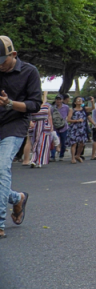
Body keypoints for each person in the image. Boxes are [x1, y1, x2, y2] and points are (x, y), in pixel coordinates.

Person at [0, 36, 40, 239]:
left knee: (1, 168)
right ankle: (17, 198)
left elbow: (35, 104)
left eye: (2, 61)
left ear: (13, 55)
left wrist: (10, 104)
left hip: (15, 124)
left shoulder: (29, 72)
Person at [28, 94, 53, 168]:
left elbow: (49, 116)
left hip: (44, 125)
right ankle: (33, 159)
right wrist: (30, 122)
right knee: (34, 142)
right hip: (34, 125)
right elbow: (27, 114)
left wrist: (51, 127)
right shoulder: (32, 105)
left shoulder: (47, 105)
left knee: (42, 143)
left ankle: (39, 160)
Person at [66, 97, 88, 163]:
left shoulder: (84, 109)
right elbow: (68, 120)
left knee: (82, 143)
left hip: (82, 128)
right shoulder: (72, 110)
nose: (79, 101)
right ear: (75, 102)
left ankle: (78, 155)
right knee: (74, 143)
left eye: (80, 100)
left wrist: (92, 102)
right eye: (78, 100)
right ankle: (73, 158)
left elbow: (92, 108)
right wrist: (77, 120)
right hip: (74, 128)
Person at [50, 94, 70, 161]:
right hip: (55, 127)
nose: (58, 101)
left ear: (62, 100)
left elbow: (68, 115)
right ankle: (52, 156)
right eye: (57, 99)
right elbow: (50, 117)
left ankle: (61, 155)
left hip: (63, 127)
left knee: (63, 143)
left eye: (59, 99)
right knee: (54, 142)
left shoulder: (66, 107)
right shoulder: (52, 108)